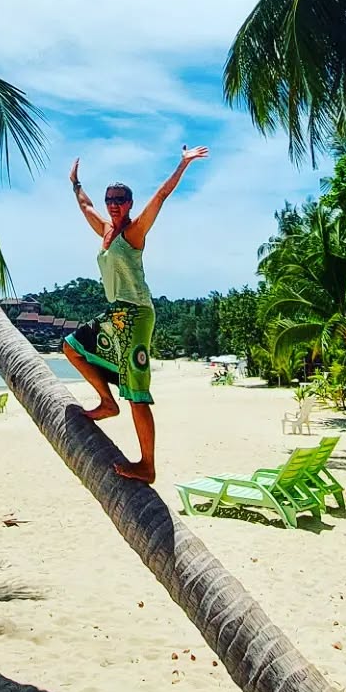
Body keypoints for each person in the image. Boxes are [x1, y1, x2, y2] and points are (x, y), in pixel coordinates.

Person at [63, 144, 209, 483]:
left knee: (136, 391)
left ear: (129, 204)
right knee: (72, 347)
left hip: (137, 314)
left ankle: (147, 465)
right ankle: (105, 402)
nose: (113, 205)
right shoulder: (105, 231)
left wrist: (182, 164)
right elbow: (85, 205)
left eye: (120, 200)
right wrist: (75, 183)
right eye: (109, 199)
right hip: (116, 315)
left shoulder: (133, 232)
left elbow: (160, 197)